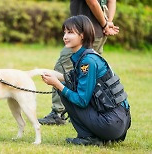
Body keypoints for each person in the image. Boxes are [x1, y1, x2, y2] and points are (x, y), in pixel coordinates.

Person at [41, 15, 131, 145]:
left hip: (111, 124)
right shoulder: (88, 56)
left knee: (65, 90)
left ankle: (88, 137)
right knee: (67, 86)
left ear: (83, 35)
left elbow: (82, 101)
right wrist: (49, 74)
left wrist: (57, 84)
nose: (65, 36)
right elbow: (73, 79)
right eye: (64, 32)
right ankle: (94, 135)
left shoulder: (87, 61)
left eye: (70, 32)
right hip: (119, 122)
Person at [38, 0, 119, 125]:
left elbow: (92, 2)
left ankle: (58, 113)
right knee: (88, 74)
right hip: (98, 32)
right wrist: (108, 23)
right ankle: (87, 110)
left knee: (63, 69)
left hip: (84, 32)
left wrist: (105, 24)